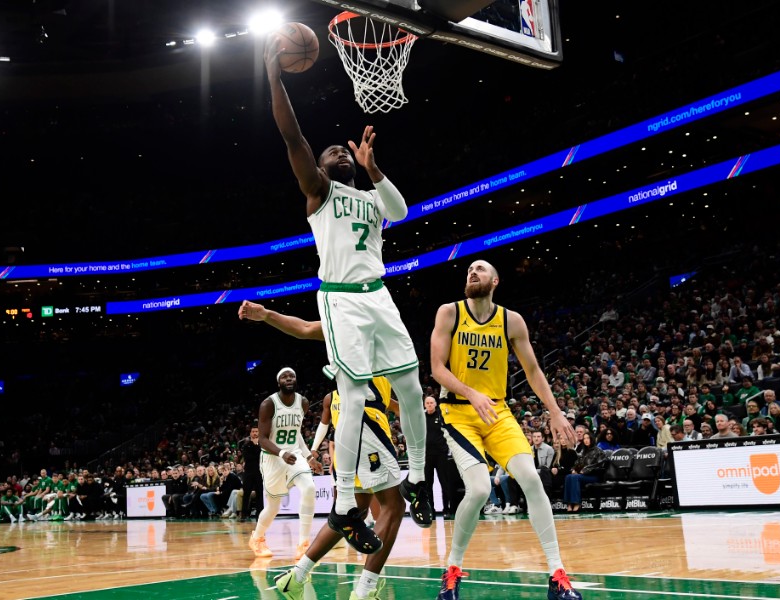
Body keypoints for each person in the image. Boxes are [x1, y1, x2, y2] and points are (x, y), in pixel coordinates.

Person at [265, 37, 431, 550]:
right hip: (340, 299)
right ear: (319, 166)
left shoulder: (369, 195)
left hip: (378, 294)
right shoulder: (319, 192)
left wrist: (373, 165)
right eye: (330, 150)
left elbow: (402, 211)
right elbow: (293, 137)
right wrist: (274, 75)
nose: (339, 150)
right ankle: (342, 504)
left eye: (345, 150)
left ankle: (420, 479)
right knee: (354, 394)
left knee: (408, 384)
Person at [429, 260, 581, 600]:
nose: (472, 272)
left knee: (530, 477)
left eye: (480, 269)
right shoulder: (449, 313)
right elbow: (437, 368)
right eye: (469, 269)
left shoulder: (511, 321)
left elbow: (532, 369)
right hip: (457, 411)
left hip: (497, 411)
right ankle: (452, 570)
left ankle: (557, 574)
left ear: (495, 280)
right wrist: (470, 392)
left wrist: (555, 412)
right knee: (481, 489)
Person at [236, 302, 406, 600]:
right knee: (394, 506)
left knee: (352, 512)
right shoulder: (378, 331)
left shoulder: (347, 332)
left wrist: (266, 316)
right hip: (368, 428)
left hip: (351, 436)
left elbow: (302, 328)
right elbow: (302, 327)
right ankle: (364, 589)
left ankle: (296, 576)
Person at [249, 367, 321, 560]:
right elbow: (262, 439)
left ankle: (303, 544)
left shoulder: (303, 403)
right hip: (273, 458)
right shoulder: (268, 404)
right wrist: (281, 452)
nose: (288, 379)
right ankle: (257, 537)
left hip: (294, 455)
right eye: (284, 377)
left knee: (309, 488)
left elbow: (296, 434)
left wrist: (309, 458)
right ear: (278, 382)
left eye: (292, 376)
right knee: (273, 507)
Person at [240, 427, 265, 521]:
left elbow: (261, 456)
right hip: (248, 473)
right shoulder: (245, 445)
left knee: (260, 494)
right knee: (246, 494)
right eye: (253, 431)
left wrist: (256, 446)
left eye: (256, 431)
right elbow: (248, 457)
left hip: (259, 472)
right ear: (250, 433)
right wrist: (256, 447)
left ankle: (260, 515)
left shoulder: (263, 444)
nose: (255, 433)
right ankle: (243, 515)